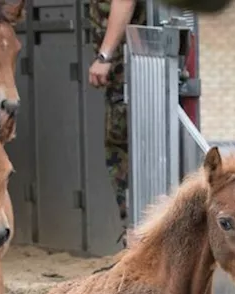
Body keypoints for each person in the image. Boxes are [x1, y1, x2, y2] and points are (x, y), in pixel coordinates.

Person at [87, 0, 146, 247]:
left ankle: (136, 234)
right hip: (123, 77)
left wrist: (104, 55)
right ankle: (133, 232)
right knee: (119, 150)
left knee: (122, 152)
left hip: (128, 72)